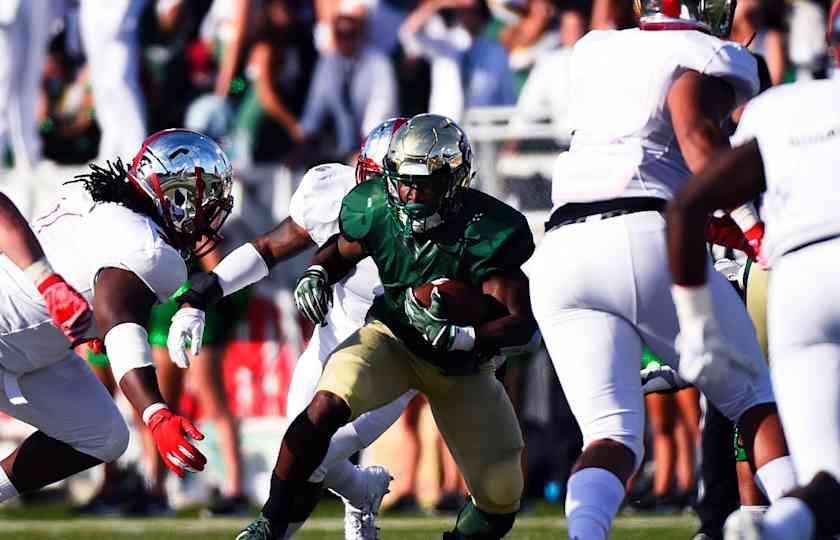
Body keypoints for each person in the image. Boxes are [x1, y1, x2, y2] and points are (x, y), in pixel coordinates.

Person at [524, 1, 799, 538]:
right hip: (644, 230)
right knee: (753, 398)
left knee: (610, 435)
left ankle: (586, 533)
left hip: (562, 248)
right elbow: (698, 143)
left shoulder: (595, 48)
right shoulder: (704, 52)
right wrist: (752, 224)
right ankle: (811, 516)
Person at [222, 113, 536, 539]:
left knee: (500, 495)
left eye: (423, 183)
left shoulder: (488, 229)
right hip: (391, 338)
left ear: (454, 182)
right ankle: (271, 524)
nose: (409, 193)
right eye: (402, 180)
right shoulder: (375, 204)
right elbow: (341, 250)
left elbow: (521, 324)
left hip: (461, 365)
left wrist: (466, 336)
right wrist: (317, 273)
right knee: (324, 406)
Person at [169, 118, 416, 539]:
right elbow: (268, 248)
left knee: (309, 459)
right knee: (297, 449)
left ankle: (297, 521)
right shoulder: (335, 192)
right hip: (333, 339)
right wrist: (198, 298)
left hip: (398, 354)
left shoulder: (436, 221)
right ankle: (360, 492)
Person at [668, 5, 840, 539]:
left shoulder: (780, 106)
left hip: (795, 277)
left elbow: (690, 206)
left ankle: (778, 527)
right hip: (789, 268)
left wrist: (696, 324)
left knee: (823, 481)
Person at [0, 129, 230, 504]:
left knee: (101, 434)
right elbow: (117, 312)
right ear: (175, 195)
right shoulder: (152, 251)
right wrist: (155, 412)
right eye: (204, 200)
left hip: (32, 351)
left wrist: (80, 308)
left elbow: (102, 300)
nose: (207, 216)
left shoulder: (93, 194)